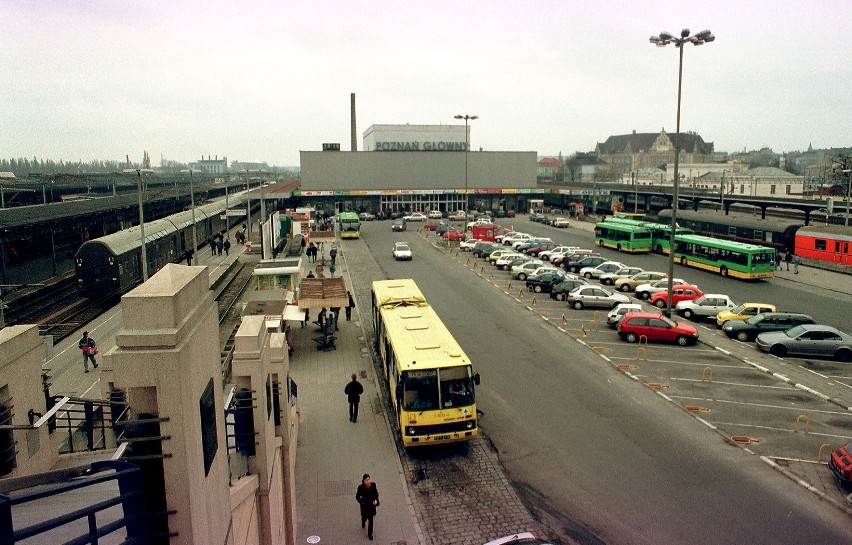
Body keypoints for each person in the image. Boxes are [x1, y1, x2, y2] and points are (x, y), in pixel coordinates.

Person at [355, 473, 379, 540]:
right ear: (363, 481)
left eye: (369, 479)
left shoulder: (373, 485)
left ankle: (370, 534)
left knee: (371, 521)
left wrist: (375, 500)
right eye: (366, 480)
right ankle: (363, 520)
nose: (368, 481)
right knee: (364, 517)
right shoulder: (360, 487)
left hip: (371, 506)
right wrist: (362, 502)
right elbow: (357, 497)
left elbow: (376, 494)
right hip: (365, 506)